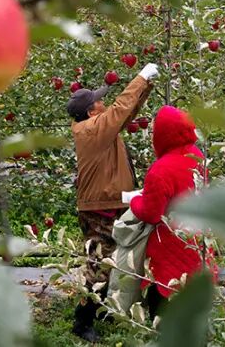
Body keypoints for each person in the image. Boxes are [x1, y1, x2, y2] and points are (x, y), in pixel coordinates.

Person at [67, 62, 157, 342]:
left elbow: (126, 113)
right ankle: (82, 322)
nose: (103, 102)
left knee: (109, 263)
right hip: (99, 210)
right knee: (98, 266)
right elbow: (119, 110)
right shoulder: (91, 130)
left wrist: (145, 88)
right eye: (98, 100)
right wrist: (140, 78)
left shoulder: (98, 128)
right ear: (91, 111)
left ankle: (102, 308)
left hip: (107, 203)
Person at [129, 105, 212, 322]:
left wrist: (135, 200)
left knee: (164, 316)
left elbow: (151, 214)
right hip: (198, 244)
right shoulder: (197, 156)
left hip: (169, 250)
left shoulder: (161, 169)